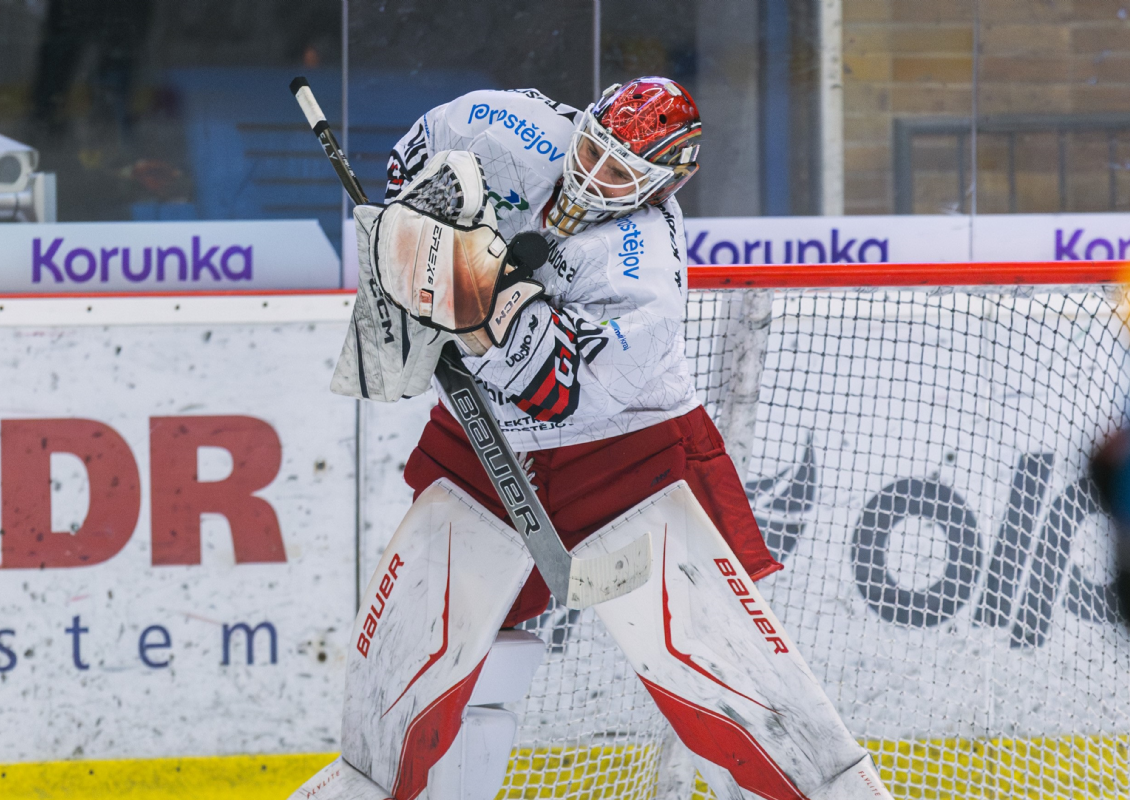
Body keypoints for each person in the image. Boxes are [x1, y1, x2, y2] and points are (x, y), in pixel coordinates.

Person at [290, 78, 894, 800]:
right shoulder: (503, 124)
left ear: (669, 183)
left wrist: (473, 306)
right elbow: (415, 157)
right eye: (591, 148)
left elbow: (559, 396)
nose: (592, 175)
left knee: (735, 689)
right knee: (408, 694)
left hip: (631, 459)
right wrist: (413, 230)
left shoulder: (647, 268)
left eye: (621, 173)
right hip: (480, 454)